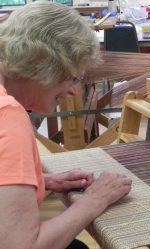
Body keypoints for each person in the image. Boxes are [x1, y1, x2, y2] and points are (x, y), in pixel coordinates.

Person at [0, 2, 132, 249]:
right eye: (72, 77)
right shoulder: (7, 115)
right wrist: (94, 200)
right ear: (45, 64)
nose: (72, 90)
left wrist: (40, 180)